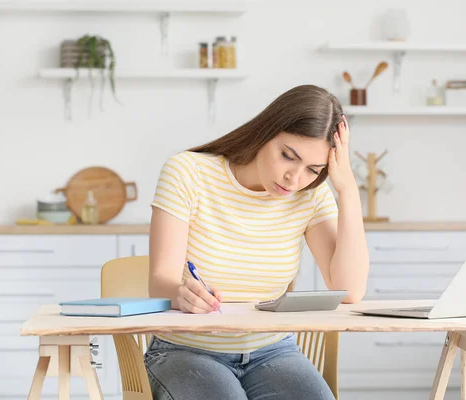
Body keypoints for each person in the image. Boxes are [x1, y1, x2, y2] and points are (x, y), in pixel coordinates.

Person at [145, 84, 370, 400]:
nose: (295, 178)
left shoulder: (311, 195)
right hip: (186, 350)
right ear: (266, 132)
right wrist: (182, 295)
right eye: (287, 156)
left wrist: (347, 190)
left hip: (272, 351)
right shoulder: (188, 172)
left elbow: (350, 290)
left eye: (313, 169)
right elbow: (159, 282)